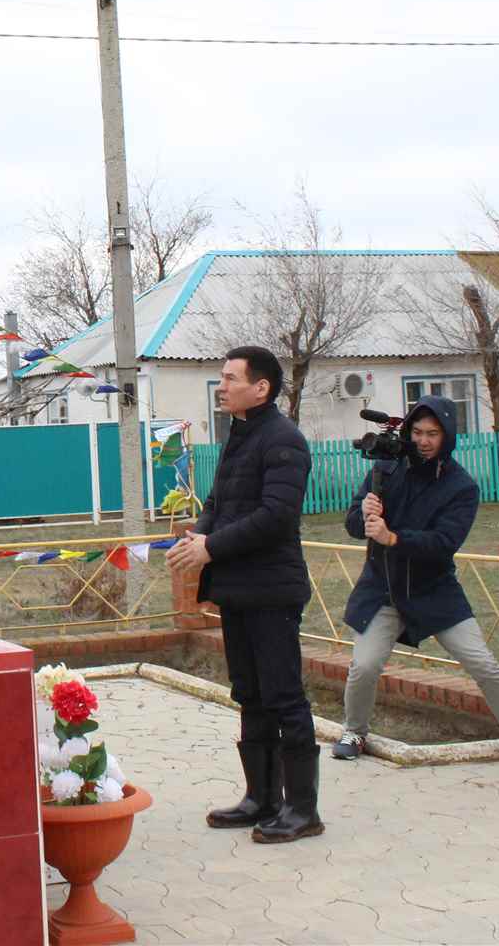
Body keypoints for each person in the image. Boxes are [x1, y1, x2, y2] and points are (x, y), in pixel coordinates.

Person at [333, 397, 499, 770]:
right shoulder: (386, 467)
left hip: (434, 590)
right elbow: (355, 525)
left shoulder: (460, 486)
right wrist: (364, 514)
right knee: (364, 666)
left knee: (483, 664)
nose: (423, 440)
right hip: (383, 589)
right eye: (417, 432)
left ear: (447, 436)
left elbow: (444, 543)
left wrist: (393, 538)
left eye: (432, 433)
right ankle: (354, 732)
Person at [167, 345, 322, 843]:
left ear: (261, 388)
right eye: (221, 377)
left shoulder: (283, 440)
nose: (222, 387)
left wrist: (212, 547)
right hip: (239, 588)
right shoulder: (241, 434)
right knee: (250, 694)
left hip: (272, 589)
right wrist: (199, 535)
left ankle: (302, 809)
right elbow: (220, 500)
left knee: (283, 696)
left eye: (230, 378)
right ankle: (261, 798)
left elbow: (276, 516)